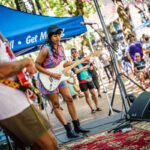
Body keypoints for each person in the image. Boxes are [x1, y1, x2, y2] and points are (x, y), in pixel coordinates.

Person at [0, 34, 58, 150]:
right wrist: (27, 61)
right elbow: (2, 71)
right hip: (12, 103)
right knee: (48, 145)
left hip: (14, 100)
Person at [35, 25, 89, 139]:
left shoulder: (61, 47)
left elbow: (63, 63)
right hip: (47, 79)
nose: (58, 37)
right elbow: (36, 65)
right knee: (56, 104)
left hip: (59, 77)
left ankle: (77, 126)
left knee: (69, 98)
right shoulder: (45, 49)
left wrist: (78, 62)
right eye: (55, 35)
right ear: (50, 36)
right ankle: (68, 131)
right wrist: (52, 74)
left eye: (59, 35)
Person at [71, 48, 102, 114]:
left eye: (75, 51)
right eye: (72, 52)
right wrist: (84, 68)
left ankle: (97, 107)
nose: (74, 53)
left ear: (77, 52)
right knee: (87, 95)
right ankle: (92, 109)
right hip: (82, 81)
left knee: (94, 94)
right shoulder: (72, 63)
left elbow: (90, 67)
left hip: (88, 78)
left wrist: (88, 65)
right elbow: (76, 71)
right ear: (71, 54)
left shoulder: (83, 59)